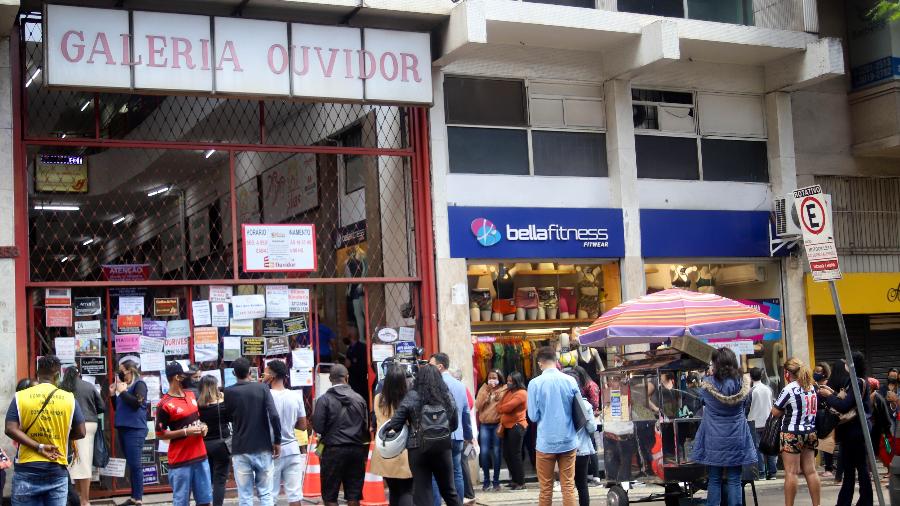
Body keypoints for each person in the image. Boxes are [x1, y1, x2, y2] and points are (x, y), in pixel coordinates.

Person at [5, 356, 86, 506]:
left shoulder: (20, 397)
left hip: (27, 469)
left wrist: (39, 447)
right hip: (56, 467)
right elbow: (81, 432)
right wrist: (62, 436)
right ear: (57, 376)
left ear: (37, 374)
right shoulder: (69, 399)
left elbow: (10, 429)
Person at [383, 365, 461, 506]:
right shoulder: (446, 395)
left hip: (417, 449)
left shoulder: (412, 395)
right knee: (449, 491)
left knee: (423, 492)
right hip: (443, 448)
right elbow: (454, 424)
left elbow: (395, 423)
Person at [690, 348, 756, 506]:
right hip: (737, 435)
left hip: (714, 437)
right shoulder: (742, 383)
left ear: (716, 363)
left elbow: (701, 402)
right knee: (734, 479)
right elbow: (746, 405)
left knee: (714, 478)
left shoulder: (708, 384)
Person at [224, 357, 282, 506]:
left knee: (245, 495)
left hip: (240, 448)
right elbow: (274, 415)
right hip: (263, 447)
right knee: (265, 493)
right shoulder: (262, 388)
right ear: (250, 371)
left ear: (233, 373)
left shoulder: (229, 392)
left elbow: (227, 417)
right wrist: (277, 441)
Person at [818, 351, 873, 506]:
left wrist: (828, 396)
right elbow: (845, 399)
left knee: (860, 468)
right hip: (850, 431)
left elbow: (844, 405)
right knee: (850, 468)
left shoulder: (859, 382)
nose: (844, 364)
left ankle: (865, 500)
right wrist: (832, 393)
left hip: (857, 431)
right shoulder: (852, 381)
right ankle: (845, 501)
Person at [311, 364, 370, 506]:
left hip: (332, 451)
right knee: (354, 495)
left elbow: (318, 426)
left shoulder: (323, 400)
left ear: (330, 379)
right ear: (347, 377)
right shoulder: (359, 399)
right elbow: (365, 427)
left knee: (330, 496)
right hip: (356, 450)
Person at [527, 346, 579, 506]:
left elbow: (533, 416)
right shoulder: (570, 380)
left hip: (546, 443)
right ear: (556, 361)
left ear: (540, 363)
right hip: (568, 440)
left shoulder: (534, 384)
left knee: (545, 488)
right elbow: (579, 410)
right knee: (568, 487)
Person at [156, 362, 213, 506]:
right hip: (180, 461)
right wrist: (185, 432)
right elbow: (160, 434)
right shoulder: (164, 404)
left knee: (205, 501)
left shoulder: (191, 394)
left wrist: (203, 426)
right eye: (185, 375)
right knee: (181, 503)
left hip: (200, 457)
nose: (191, 378)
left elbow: (197, 420)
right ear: (177, 377)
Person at [771, 358, 821, 506]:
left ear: (787, 373)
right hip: (810, 432)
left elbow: (775, 412)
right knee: (811, 471)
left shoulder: (789, 389)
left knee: (791, 473)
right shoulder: (811, 387)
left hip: (792, 433)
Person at [428, 353, 473, 504]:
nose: (429, 368)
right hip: (458, 436)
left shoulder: (434, 385)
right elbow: (466, 413)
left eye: (431, 364)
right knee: (457, 472)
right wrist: (468, 435)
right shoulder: (461, 386)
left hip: (439, 436)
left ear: (440, 366)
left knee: (435, 473)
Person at [264, 360, 308, 506]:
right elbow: (303, 426)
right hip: (292, 449)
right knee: (295, 495)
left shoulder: (264, 396)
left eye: (265, 371)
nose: (263, 375)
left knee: (270, 495)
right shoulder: (296, 396)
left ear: (272, 375)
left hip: (271, 451)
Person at [60, 366, 104, 506]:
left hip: (68, 426)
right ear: (78, 374)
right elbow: (101, 406)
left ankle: (77, 498)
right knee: (83, 463)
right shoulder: (88, 386)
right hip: (88, 425)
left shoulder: (61, 388)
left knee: (71, 463)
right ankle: (84, 500)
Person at [371, 365, 414, 506]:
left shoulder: (379, 399)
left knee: (393, 489)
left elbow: (375, 419)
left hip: (384, 449)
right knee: (406, 490)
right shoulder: (408, 399)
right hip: (403, 449)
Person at [110, 360, 148, 506]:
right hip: (123, 428)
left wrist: (123, 391)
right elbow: (119, 407)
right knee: (131, 465)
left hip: (135, 429)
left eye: (122, 370)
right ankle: (133, 497)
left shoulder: (139, 384)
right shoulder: (123, 387)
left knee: (135, 464)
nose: (120, 373)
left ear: (130, 370)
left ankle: (138, 499)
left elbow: (136, 403)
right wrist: (114, 395)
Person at [563, 369, 597, 506]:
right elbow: (592, 428)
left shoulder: (562, 406)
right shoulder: (586, 405)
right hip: (582, 449)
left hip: (565, 449)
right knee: (582, 484)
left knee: (568, 484)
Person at [197, 374, 232, 506]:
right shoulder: (222, 403)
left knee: (207, 478)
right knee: (220, 480)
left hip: (204, 445)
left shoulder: (198, 404)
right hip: (221, 444)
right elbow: (230, 417)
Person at [474, 369, 506, 492]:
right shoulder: (484, 388)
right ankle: (486, 481)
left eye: (494, 377)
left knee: (497, 452)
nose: (492, 380)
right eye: (490, 377)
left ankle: (496, 481)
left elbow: (505, 406)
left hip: (497, 424)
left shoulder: (503, 389)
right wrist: (486, 396)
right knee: (485, 452)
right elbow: (477, 406)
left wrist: (499, 397)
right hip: (485, 425)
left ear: (499, 378)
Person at [497, 371, 527, 490]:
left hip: (517, 426)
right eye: (508, 381)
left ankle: (521, 482)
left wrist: (501, 408)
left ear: (516, 382)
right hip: (506, 426)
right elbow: (500, 405)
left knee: (515, 454)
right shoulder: (508, 392)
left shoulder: (521, 393)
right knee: (507, 454)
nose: (508, 383)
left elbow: (507, 407)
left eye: (511, 381)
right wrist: (501, 407)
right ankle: (514, 480)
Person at [747, 367, 777, 480]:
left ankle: (761, 473)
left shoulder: (751, 391)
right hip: (768, 422)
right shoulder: (768, 389)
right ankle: (773, 473)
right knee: (770, 447)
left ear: (751, 377)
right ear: (761, 376)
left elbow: (746, 407)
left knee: (757, 449)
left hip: (754, 422)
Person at [813, 362, 837, 480]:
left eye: (818, 371)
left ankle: (829, 468)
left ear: (824, 373)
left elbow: (835, 398)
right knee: (815, 441)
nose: (816, 373)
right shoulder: (814, 385)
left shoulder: (828, 385)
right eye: (815, 371)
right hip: (815, 415)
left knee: (827, 442)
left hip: (827, 415)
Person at [344, 327, 369, 404]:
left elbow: (363, 367)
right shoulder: (350, 348)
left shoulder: (362, 348)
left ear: (350, 336)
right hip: (352, 382)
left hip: (360, 383)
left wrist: (350, 365)